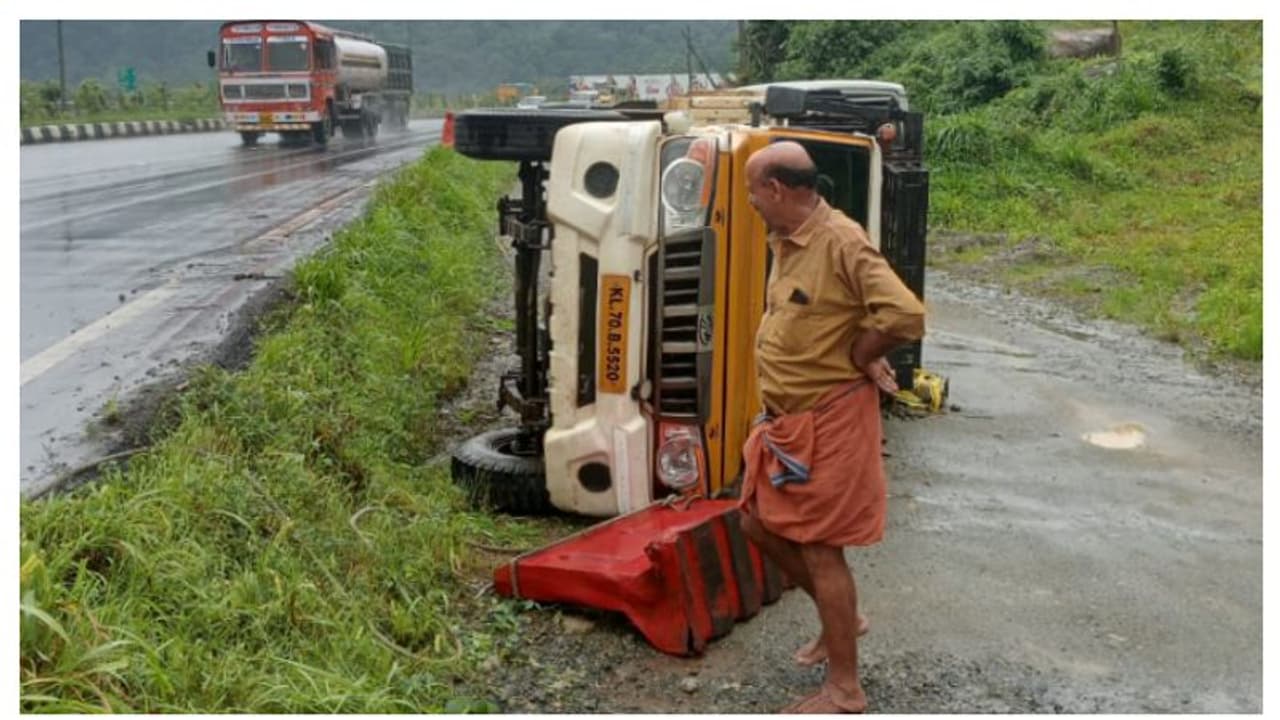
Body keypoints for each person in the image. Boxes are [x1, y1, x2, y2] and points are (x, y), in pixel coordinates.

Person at [738, 141, 925, 713]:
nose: (750, 202)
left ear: (775, 188)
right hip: (789, 423)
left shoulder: (839, 239)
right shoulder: (788, 241)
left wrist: (861, 351)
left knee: (821, 551)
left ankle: (845, 687)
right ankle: (840, 615)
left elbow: (905, 314)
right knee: (754, 522)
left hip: (831, 419)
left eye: (752, 191)